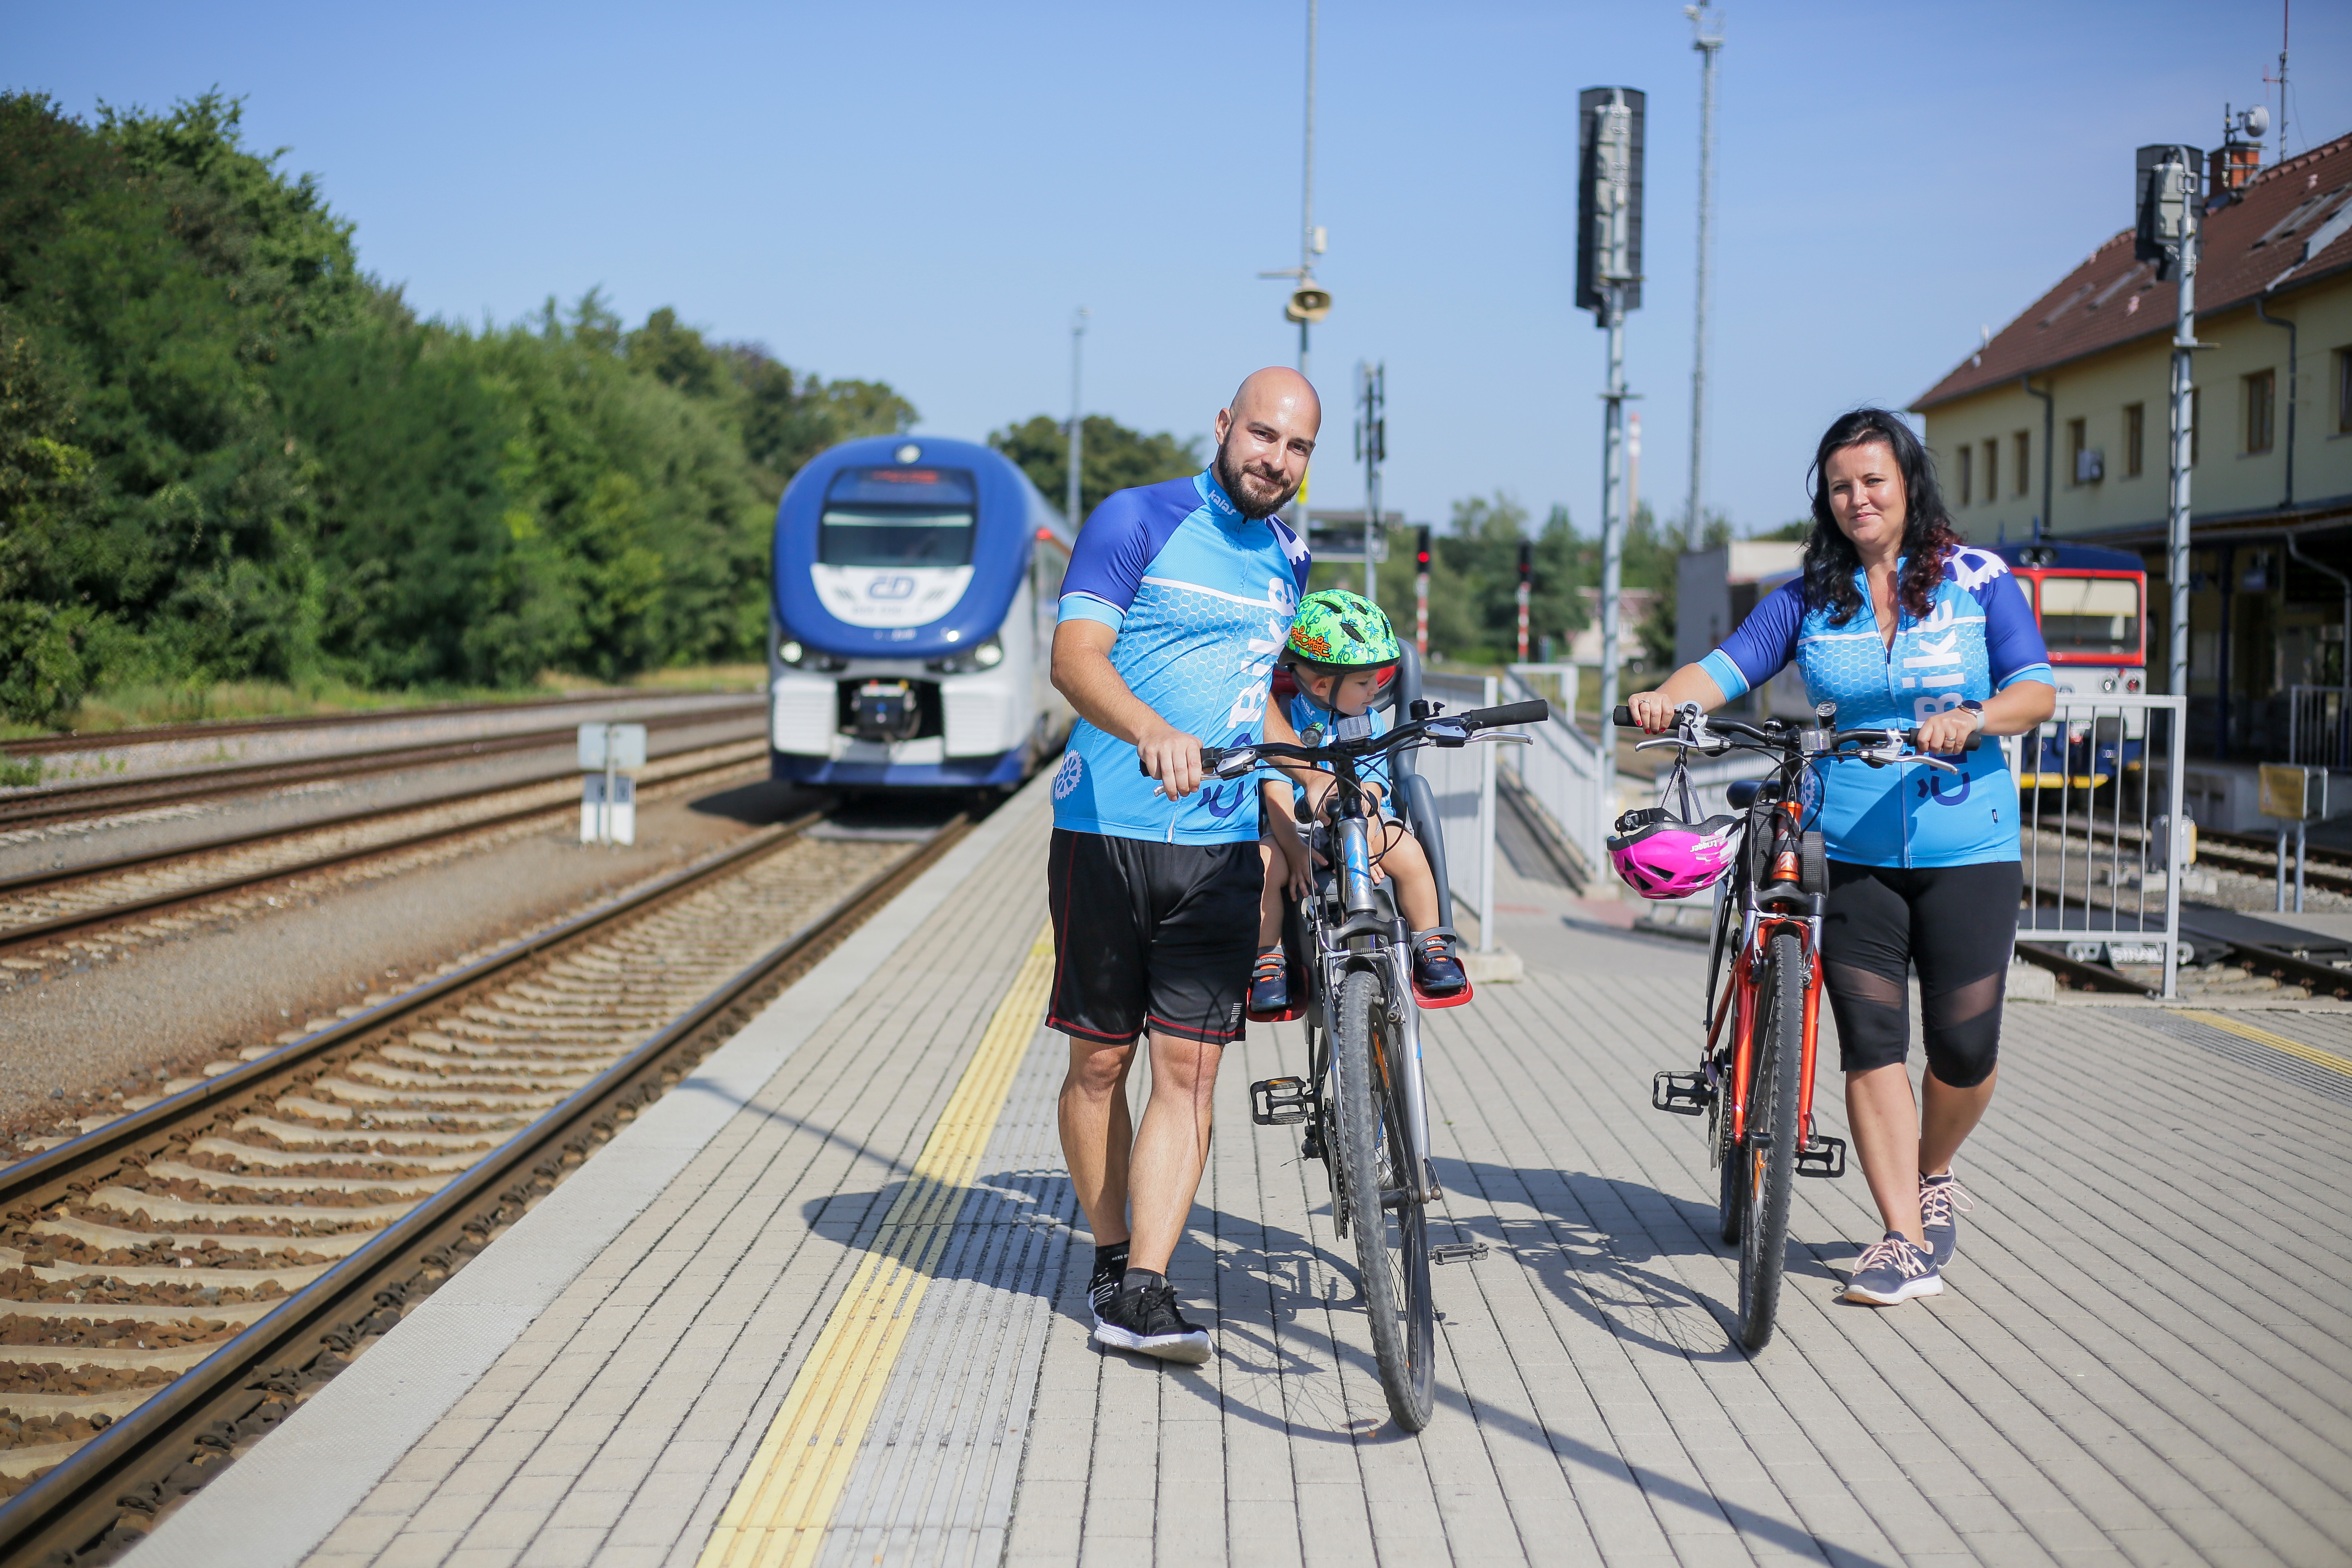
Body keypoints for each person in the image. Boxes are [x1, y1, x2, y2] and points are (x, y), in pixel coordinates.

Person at [1624, 407, 2055, 1307]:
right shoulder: (1807, 594)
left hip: (1967, 839)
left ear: (1908, 484)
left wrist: (1978, 718)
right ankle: (1902, 1237)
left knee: (1967, 1049)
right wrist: (1666, 699)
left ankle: (1933, 1167)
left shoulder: (1978, 578)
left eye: (1874, 481)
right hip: (1850, 843)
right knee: (1872, 1043)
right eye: (1840, 485)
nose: (1857, 498)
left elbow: (2036, 687)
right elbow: (1729, 665)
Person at [1047, 366, 1317, 1363]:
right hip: (1106, 830)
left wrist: (1300, 777)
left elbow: (1252, 690)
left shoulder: (1288, 553)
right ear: (1222, 426)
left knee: (1185, 1072)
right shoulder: (1136, 519)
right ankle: (1110, 1250)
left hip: (1216, 847)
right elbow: (1075, 658)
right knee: (1097, 1062)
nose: (1274, 461)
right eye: (1261, 437)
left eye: (1295, 448)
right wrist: (1150, 728)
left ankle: (1147, 1288)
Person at [1247, 589, 1467, 1012]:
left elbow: (1376, 784)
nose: (1375, 691)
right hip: (1297, 831)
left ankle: (1431, 941)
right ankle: (1268, 958)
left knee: (1409, 850)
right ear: (1322, 684)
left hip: (1363, 825)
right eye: (1366, 683)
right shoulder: (1283, 720)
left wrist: (1364, 831)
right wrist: (1293, 853)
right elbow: (1275, 790)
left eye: (1380, 681)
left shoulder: (1367, 720)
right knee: (1263, 865)